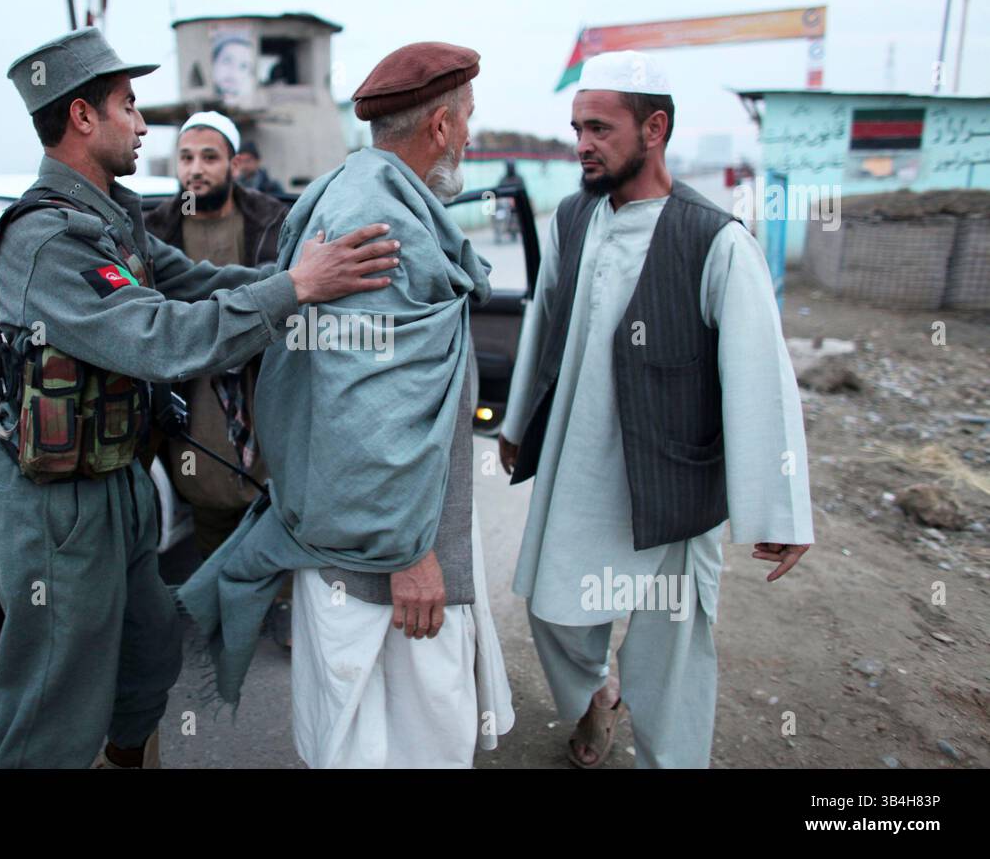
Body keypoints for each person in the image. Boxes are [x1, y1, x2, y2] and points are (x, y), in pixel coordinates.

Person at [0, 27, 401, 769]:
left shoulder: (113, 213)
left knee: (146, 660)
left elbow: (197, 284)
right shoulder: (48, 241)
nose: (143, 126)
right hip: (53, 502)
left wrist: (304, 278)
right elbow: (160, 338)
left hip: (118, 482)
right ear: (82, 118)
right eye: (128, 107)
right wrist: (295, 287)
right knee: (53, 703)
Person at [178, 42, 515, 769]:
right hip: (387, 559)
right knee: (404, 737)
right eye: (467, 120)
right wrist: (411, 554)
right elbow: (367, 410)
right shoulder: (378, 223)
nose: (470, 135)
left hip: (361, 536)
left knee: (367, 729)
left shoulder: (348, 191)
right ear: (438, 128)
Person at [497, 50, 814, 769]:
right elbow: (542, 324)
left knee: (673, 652)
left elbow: (759, 377)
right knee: (554, 613)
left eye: (600, 128)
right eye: (577, 128)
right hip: (582, 469)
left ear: (655, 128)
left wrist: (778, 509)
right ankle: (596, 700)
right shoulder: (574, 217)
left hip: (674, 479)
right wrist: (519, 425)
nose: (582, 144)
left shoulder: (716, 239)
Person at [145, 111, 295, 647]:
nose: (196, 170)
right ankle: (225, 602)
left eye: (209, 157)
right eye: (186, 158)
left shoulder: (275, 219)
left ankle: (282, 601)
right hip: (195, 386)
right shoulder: (156, 228)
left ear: (234, 163)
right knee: (206, 488)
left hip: (264, 379)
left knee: (276, 487)